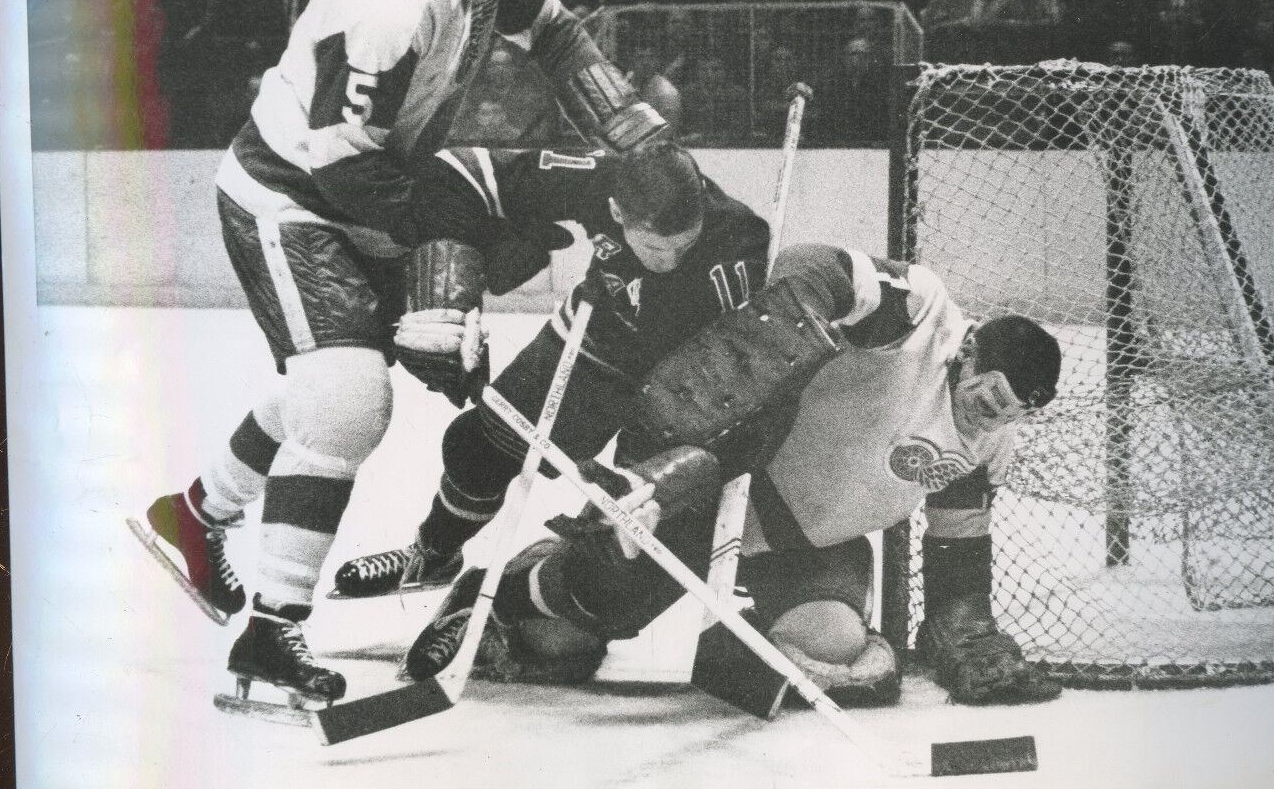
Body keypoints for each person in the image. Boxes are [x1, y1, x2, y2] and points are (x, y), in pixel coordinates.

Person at [127, 0, 668, 714]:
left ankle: (194, 516)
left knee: (329, 386)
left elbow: (555, 29)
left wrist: (626, 126)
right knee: (346, 398)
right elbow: (345, 167)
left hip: (363, 186)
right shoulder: (382, 1)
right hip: (292, 198)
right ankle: (272, 631)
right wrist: (447, 258)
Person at [404, 244, 1065, 709]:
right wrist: (777, 343)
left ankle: (725, 651)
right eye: (994, 392)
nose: (992, 413)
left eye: (1013, 411)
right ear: (973, 351)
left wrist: (967, 631)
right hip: (727, 487)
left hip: (811, 541)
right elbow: (809, 265)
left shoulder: (986, 446)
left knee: (833, 645)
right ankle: (502, 592)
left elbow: (956, 550)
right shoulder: (922, 313)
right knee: (573, 624)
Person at [330, 140, 770, 603]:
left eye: (685, 244)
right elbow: (460, 171)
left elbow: (735, 369)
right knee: (476, 447)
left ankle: (522, 600)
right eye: (656, 248)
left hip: (686, 380)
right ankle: (432, 554)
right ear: (617, 213)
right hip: (598, 339)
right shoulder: (597, 178)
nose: (672, 261)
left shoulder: (738, 239)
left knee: (626, 525)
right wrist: (451, 276)